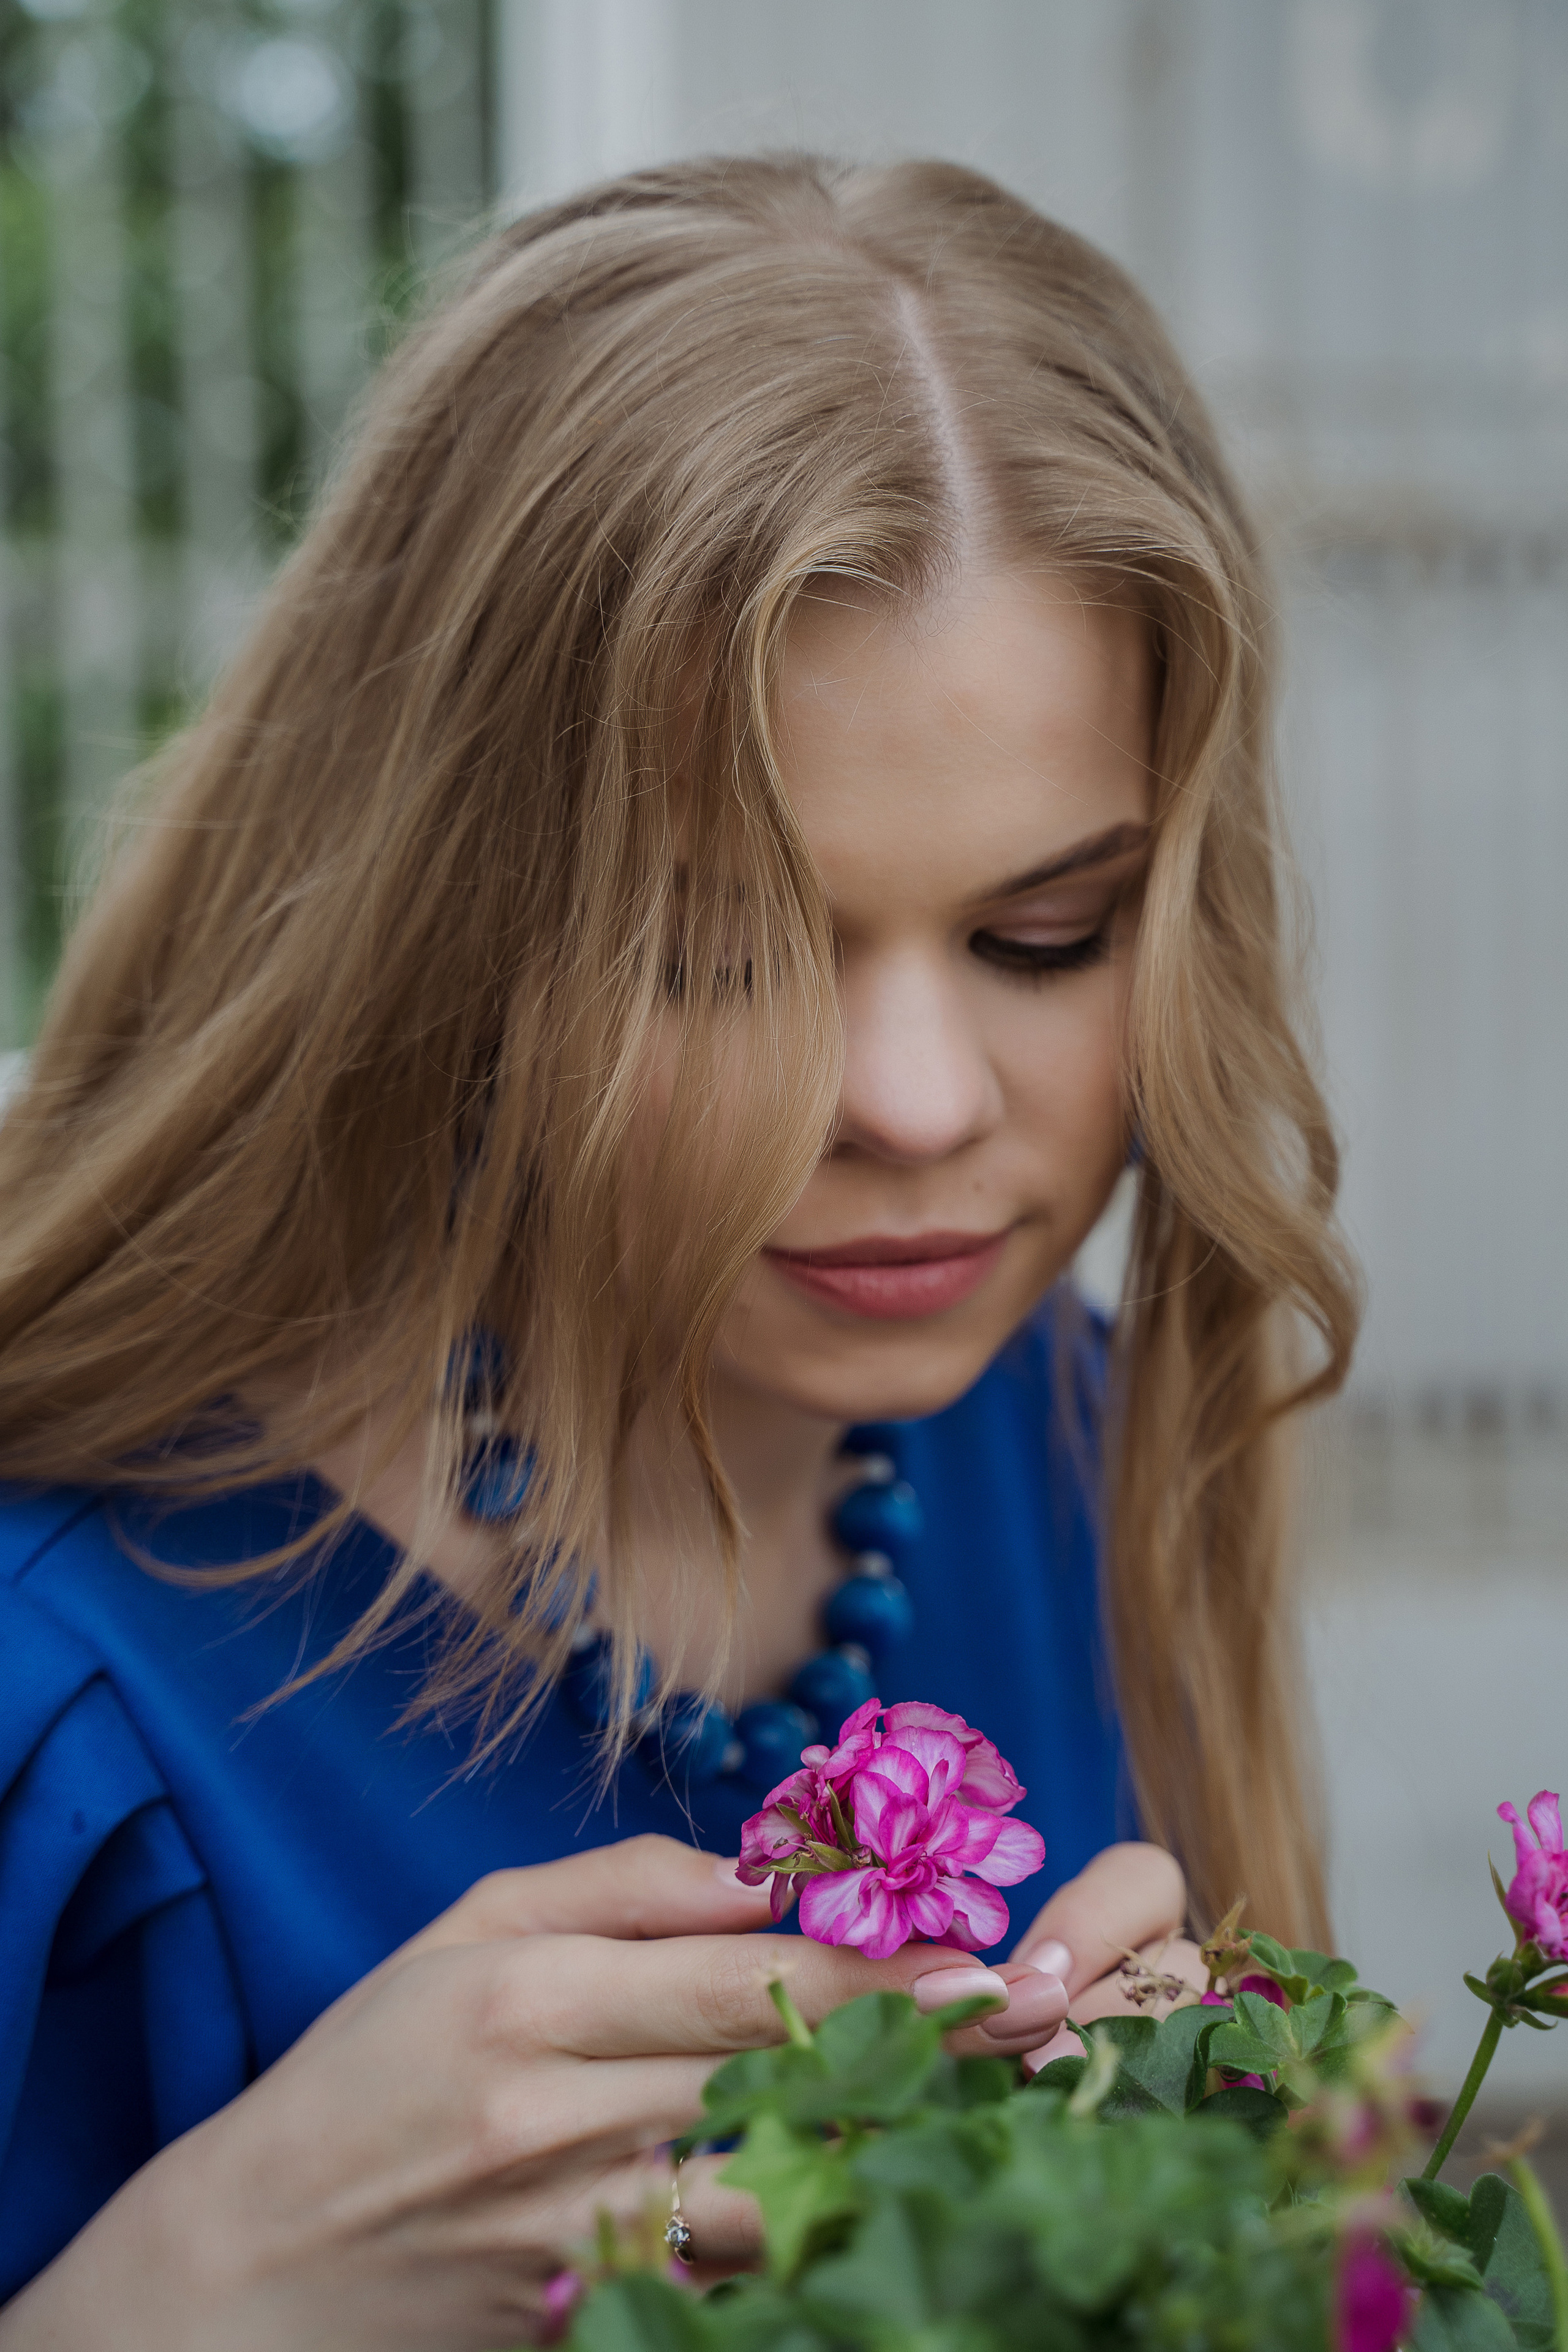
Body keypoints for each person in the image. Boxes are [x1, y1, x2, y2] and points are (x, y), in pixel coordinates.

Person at [0, 154, 1358, 2345]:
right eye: (729, 956)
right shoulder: (68, 1687)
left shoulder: (1060, 1422)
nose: (916, 1105)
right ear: (442, 918)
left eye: (1048, 932)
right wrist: (177, 2298)